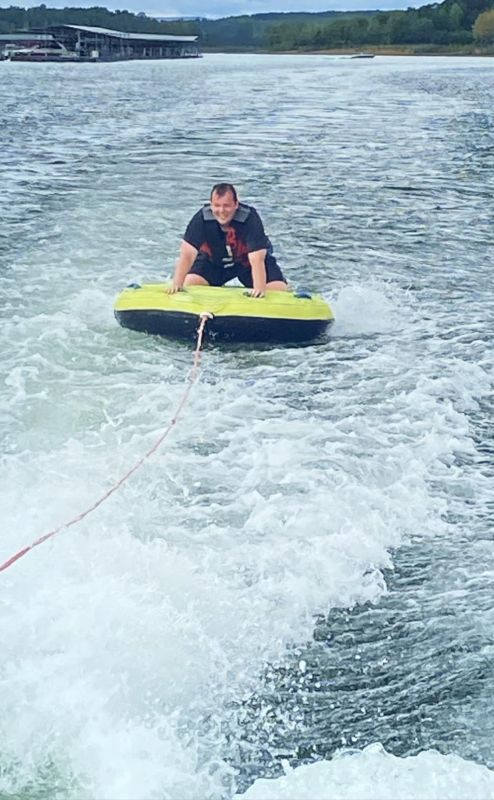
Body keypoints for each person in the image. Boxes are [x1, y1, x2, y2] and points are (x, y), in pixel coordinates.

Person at [167, 183, 288, 298]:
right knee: (190, 283)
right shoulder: (202, 218)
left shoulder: (249, 218)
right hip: (213, 263)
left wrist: (260, 290)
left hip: (246, 264)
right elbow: (187, 254)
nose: (221, 211)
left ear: (236, 204)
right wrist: (177, 285)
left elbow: (257, 259)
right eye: (217, 206)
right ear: (211, 205)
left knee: (279, 289)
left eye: (226, 206)